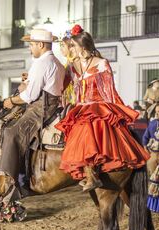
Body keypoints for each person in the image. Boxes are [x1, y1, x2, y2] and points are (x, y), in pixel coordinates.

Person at [55, 25, 149, 191]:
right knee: (74, 128)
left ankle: (92, 174)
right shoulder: (71, 67)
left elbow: (109, 91)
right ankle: (87, 172)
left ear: (82, 48)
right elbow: (60, 85)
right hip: (81, 106)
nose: (71, 49)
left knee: (87, 127)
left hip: (98, 105)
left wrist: (115, 111)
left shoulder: (101, 64)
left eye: (73, 46)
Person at [0, 28, 65, 188]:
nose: (30, 48)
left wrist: (11, 101)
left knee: (10, 133)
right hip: (51, 106)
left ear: (41, 44)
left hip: (39, 110)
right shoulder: (57, 62)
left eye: (32, 45)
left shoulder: (41, 63)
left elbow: (30, 96)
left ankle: (10, 181)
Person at [143, 102, 159, 174]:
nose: (156, 114)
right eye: (156, 112)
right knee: (153, 180)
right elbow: (145, 137)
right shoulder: (152, 123)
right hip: (153, 156)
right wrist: (147, 151)